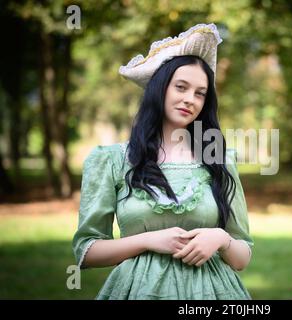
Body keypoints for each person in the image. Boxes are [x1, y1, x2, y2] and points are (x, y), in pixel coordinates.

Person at [72, 23, 253, 300]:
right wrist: (149, 240)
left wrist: (222, 239)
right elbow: (87, 251)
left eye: (200, 93)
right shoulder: (111, 160)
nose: (189, 99)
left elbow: (241, 258)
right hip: (138, 291)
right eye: (181, 87)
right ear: (159, 89)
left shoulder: (218, 161)